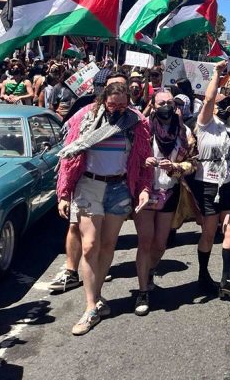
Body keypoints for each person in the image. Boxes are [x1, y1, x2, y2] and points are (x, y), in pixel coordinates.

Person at [56, 83, 152, 336]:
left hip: (118, 188)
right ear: (103, 101)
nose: (118, 110)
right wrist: (64, 193)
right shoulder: (85, 118)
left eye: (123, 105)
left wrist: (143, 188)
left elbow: (143, 160)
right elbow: (70, 157)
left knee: (108, 245)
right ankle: (90, 307)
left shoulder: (136, 122)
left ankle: (97, 296)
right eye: (113, 105)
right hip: (89, 185)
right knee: (90, 245)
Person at [189, 60, 230, 298]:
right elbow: (208, 100)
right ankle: (203, 274)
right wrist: (216, 76)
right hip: (208, 183)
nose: (223, 106)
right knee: (208, 233)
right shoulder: (205, 123)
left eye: (226, 103)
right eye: (221, 103)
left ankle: (227, 279)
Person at [132, 89, 195, 315]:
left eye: (169, 102)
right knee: (145, 242)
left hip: (170, 192)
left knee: (160, 244)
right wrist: (143, 160)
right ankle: (142, 292)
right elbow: (130, 156)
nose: (166, 106)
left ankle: (149, 270)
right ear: (153, 105)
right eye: (161, 102)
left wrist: (177, 167)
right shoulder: (143, 129)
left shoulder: (183, 131)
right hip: (146, 190)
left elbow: (193, 162)